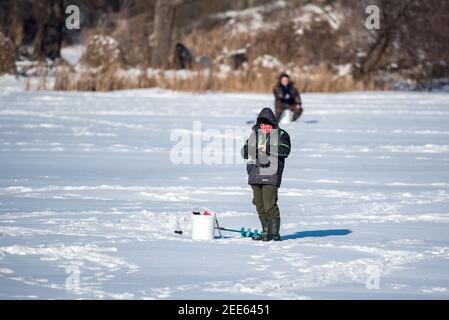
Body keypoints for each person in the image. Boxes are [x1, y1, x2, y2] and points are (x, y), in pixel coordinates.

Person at [241, 108, 291, 241]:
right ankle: (266, 232)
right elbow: (244, 153)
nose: (264, 128)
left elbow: (285, 150)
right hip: (255, 174)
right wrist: (252, 147)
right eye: (262, 125)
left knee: (269, 204)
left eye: (267, 125)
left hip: (271, 174)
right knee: (259, 204)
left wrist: (267, 148)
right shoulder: (255, 135)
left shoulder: (281, 134)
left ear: (273, 124)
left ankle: (275, 234)